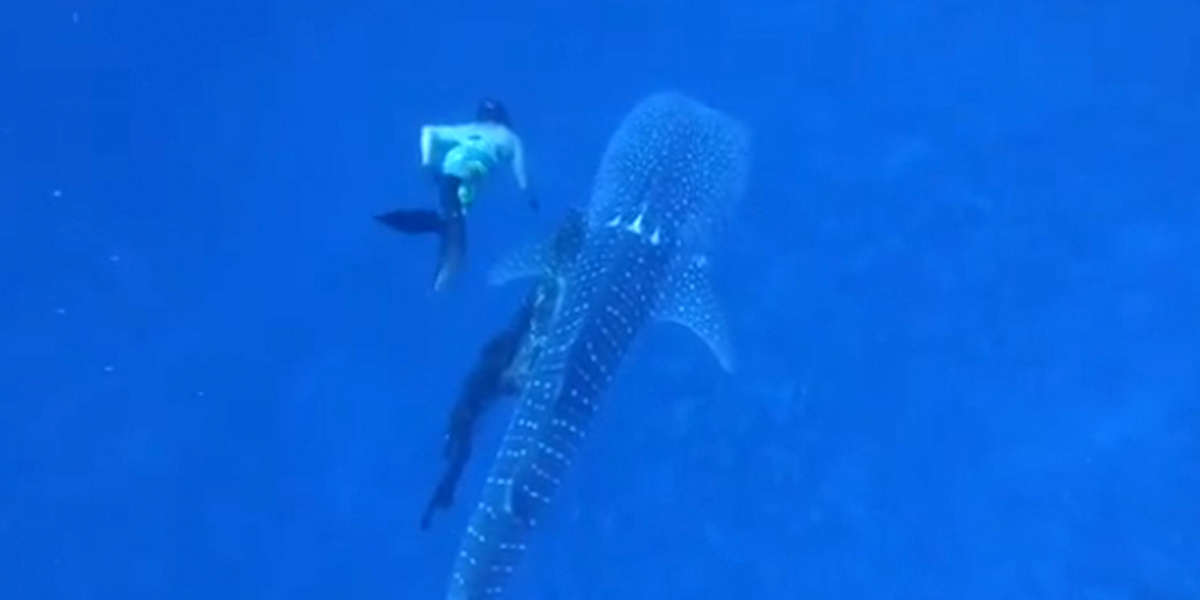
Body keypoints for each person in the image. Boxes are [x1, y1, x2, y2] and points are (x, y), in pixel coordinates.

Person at [376, 98, 536, 291]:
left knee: (450, 222)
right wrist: (530, 198)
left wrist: (426, 163)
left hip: (449, 173)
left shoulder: (467, 129)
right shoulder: (509, 137)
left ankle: (415, 222)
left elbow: (428, 131)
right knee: (457, 251)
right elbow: (522, 178)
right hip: (468, 175)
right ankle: (436, 291)